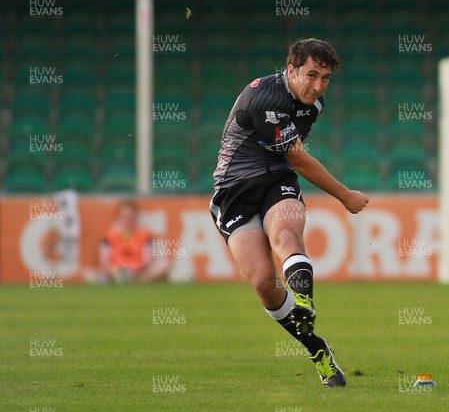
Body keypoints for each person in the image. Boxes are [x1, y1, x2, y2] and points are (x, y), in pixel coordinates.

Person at [209, 38, 369, 387]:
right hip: (233, 190)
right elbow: (297, 155)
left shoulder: (314, 104)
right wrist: (345, 196)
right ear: (291, 69)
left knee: (285, 236)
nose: (317, 86)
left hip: (275, 181)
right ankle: (318, 350)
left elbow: (288, 161)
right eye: (311, 75)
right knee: (264, 283)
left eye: (325, 78)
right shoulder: (266, 98)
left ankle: (304, 301)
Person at [85, 200, 170, 284]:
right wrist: (118, 270)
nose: (128, 219)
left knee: (163, 265)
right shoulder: (110, 235)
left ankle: (133, 280)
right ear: (120, 216)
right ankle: (128, 280)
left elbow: (148, 260)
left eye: (130, 216)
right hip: (116, 271)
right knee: (90, 273)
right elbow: (104, 262)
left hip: (139, 271)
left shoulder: (145, 234)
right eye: (125, 216)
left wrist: (135, 269)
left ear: (136, 216)